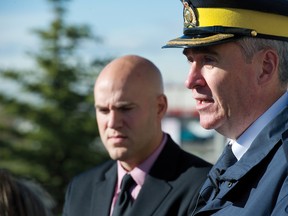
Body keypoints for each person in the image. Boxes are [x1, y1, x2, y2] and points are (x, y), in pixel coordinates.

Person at [163, 0, 288, 215]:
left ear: (265, 67)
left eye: (208, 60)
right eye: (190, 61)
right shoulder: (237, 158)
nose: (190, 80)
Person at [63, 55, 212, 216]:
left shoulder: (204, 187)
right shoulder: (81, 189)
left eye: (125, 109)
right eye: (103, 110)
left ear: (160, 107)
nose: (113, 123)